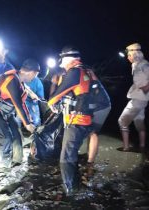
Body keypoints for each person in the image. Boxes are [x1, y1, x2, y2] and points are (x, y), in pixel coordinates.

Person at [48, 46, 95, 195]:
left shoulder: (74, 72)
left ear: (66, 59)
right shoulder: (85, 70)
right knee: (71, 153)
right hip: (86, 119)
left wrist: (52, 104)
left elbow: (54, 97)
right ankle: (76, 183)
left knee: (66, 156)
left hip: (77, 121)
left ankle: (70, 191)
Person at [0, 64, 37, 168]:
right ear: (31, 73)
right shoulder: (11, 80)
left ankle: (17, 161)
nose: (34, 78)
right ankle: (4, 164)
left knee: (16, 133)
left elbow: (22, 103)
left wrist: (28, 119)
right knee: (6, 138)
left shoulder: (21, 84)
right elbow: (17, 105)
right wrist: (27, 124)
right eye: (35, 75)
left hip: (6, 111)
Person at [118, 43, 149, 151]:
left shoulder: (143, 64)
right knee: (139, 122)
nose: (128, 57)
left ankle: (126, 147)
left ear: (135, 55)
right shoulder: (135, 65)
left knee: (122, 121)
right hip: (141, 99)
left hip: (138, 99)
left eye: (129, 55)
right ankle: (142, 146)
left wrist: (147, 86)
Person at [86, 71, 111, 167]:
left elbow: (93, 96)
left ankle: (90, 162)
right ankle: (90, 153)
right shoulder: (89, 80)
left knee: (93, 132)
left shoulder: (93, 83)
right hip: (96, 106)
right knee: (90, 130)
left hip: (102, 107)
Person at [16, 59, 44, 127]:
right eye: (36, 74)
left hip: (32, 104)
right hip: (18, 104)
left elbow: (40, 97)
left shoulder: (37, 82)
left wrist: (36, 98)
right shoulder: (15, 79)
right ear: (32, 72)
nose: (35, 76)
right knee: (17, 120)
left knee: (36, 120)